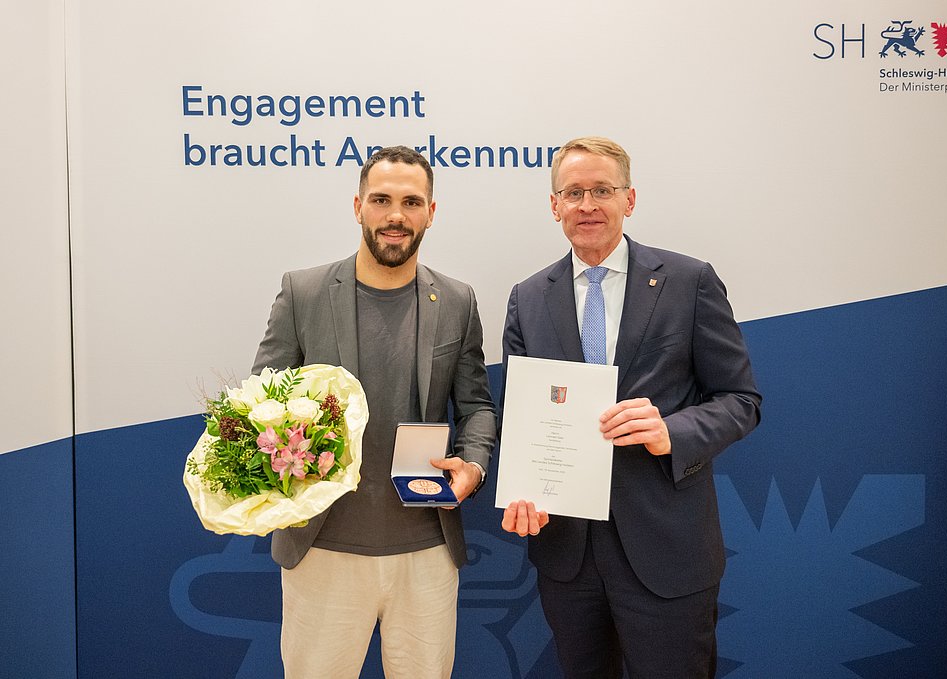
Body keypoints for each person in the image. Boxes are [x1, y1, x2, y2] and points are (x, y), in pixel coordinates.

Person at [500, 136, 761, 678]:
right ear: (554, 205)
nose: (587, 205)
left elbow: (741, 400)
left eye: (602, 190)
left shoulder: (689, 281)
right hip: (567, 553)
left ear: (630, 199)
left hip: (667, 547)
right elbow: (521, 417)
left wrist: (672, 432)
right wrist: (525, 487)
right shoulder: (528, 297)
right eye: (573, 193)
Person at [252, 145, 496, 679]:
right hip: (322, 548)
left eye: (412, 202)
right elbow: (261, 404)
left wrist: (473, 466)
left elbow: (476, 405)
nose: (395, 216)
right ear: (358, 206)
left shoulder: (458, 301)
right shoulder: (303, 293)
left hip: (426, 550)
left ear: (431, 212)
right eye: (382, 200)